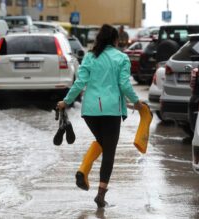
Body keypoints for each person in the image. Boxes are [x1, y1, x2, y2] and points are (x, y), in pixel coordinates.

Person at [56, 24, 143, 208]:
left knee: (102, 143)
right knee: (109, 152)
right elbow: (125, 85)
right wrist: (136, 102)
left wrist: (66, 101)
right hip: (111, 111)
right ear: (115, 40)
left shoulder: (89, 57)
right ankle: (100, 195)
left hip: (90, 112)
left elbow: (80, 83)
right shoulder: (121, 58)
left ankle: (83, 170)